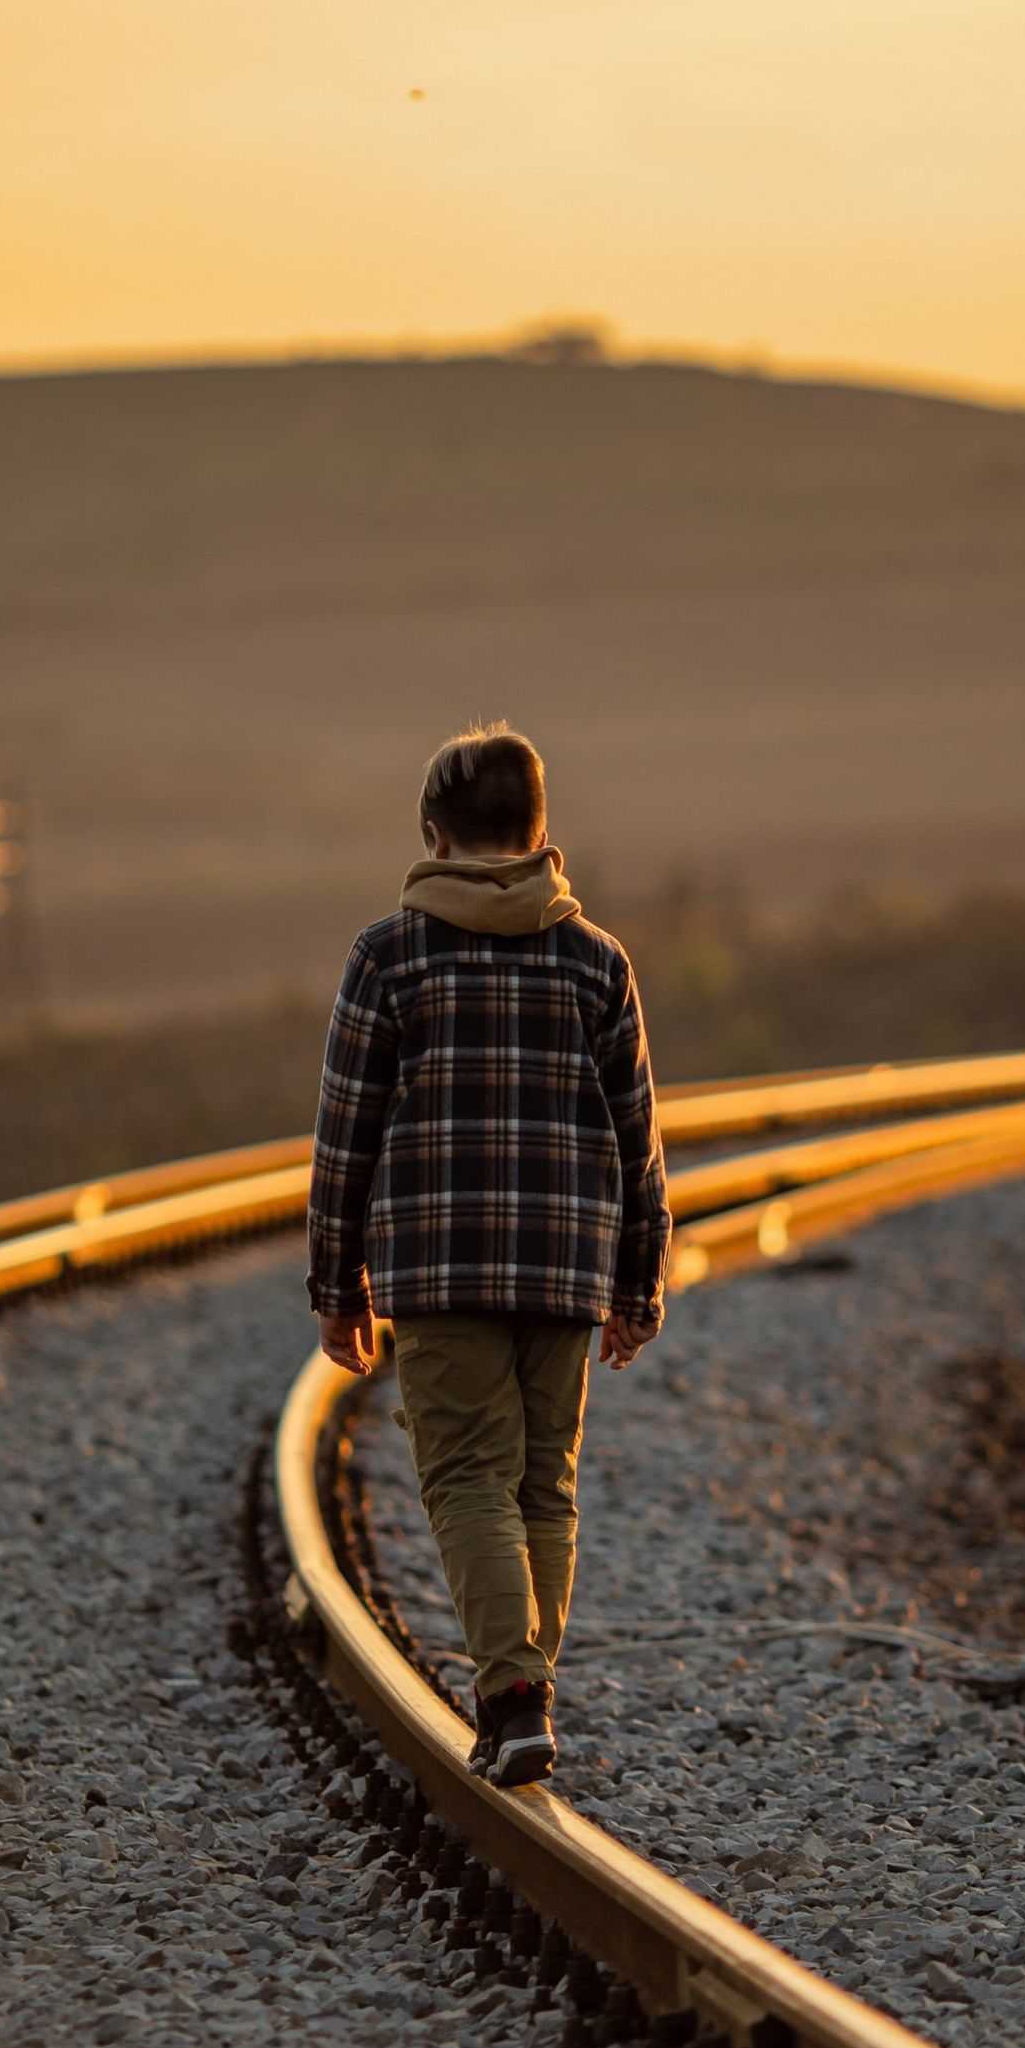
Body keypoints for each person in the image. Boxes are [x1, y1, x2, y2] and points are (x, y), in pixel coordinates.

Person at [307, 720, 670, 1788]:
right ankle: (525, 1690)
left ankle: (514, 1696)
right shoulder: (596, 962)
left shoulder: (388, 956)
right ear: (539, 833)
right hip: (565, 1266)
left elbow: (345, 1133)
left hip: (438, 1267)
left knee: (468, 1477)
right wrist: (638, 1284)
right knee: (542, 1485)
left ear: (433, 836)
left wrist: (337, 1287)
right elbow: (638, 1139)